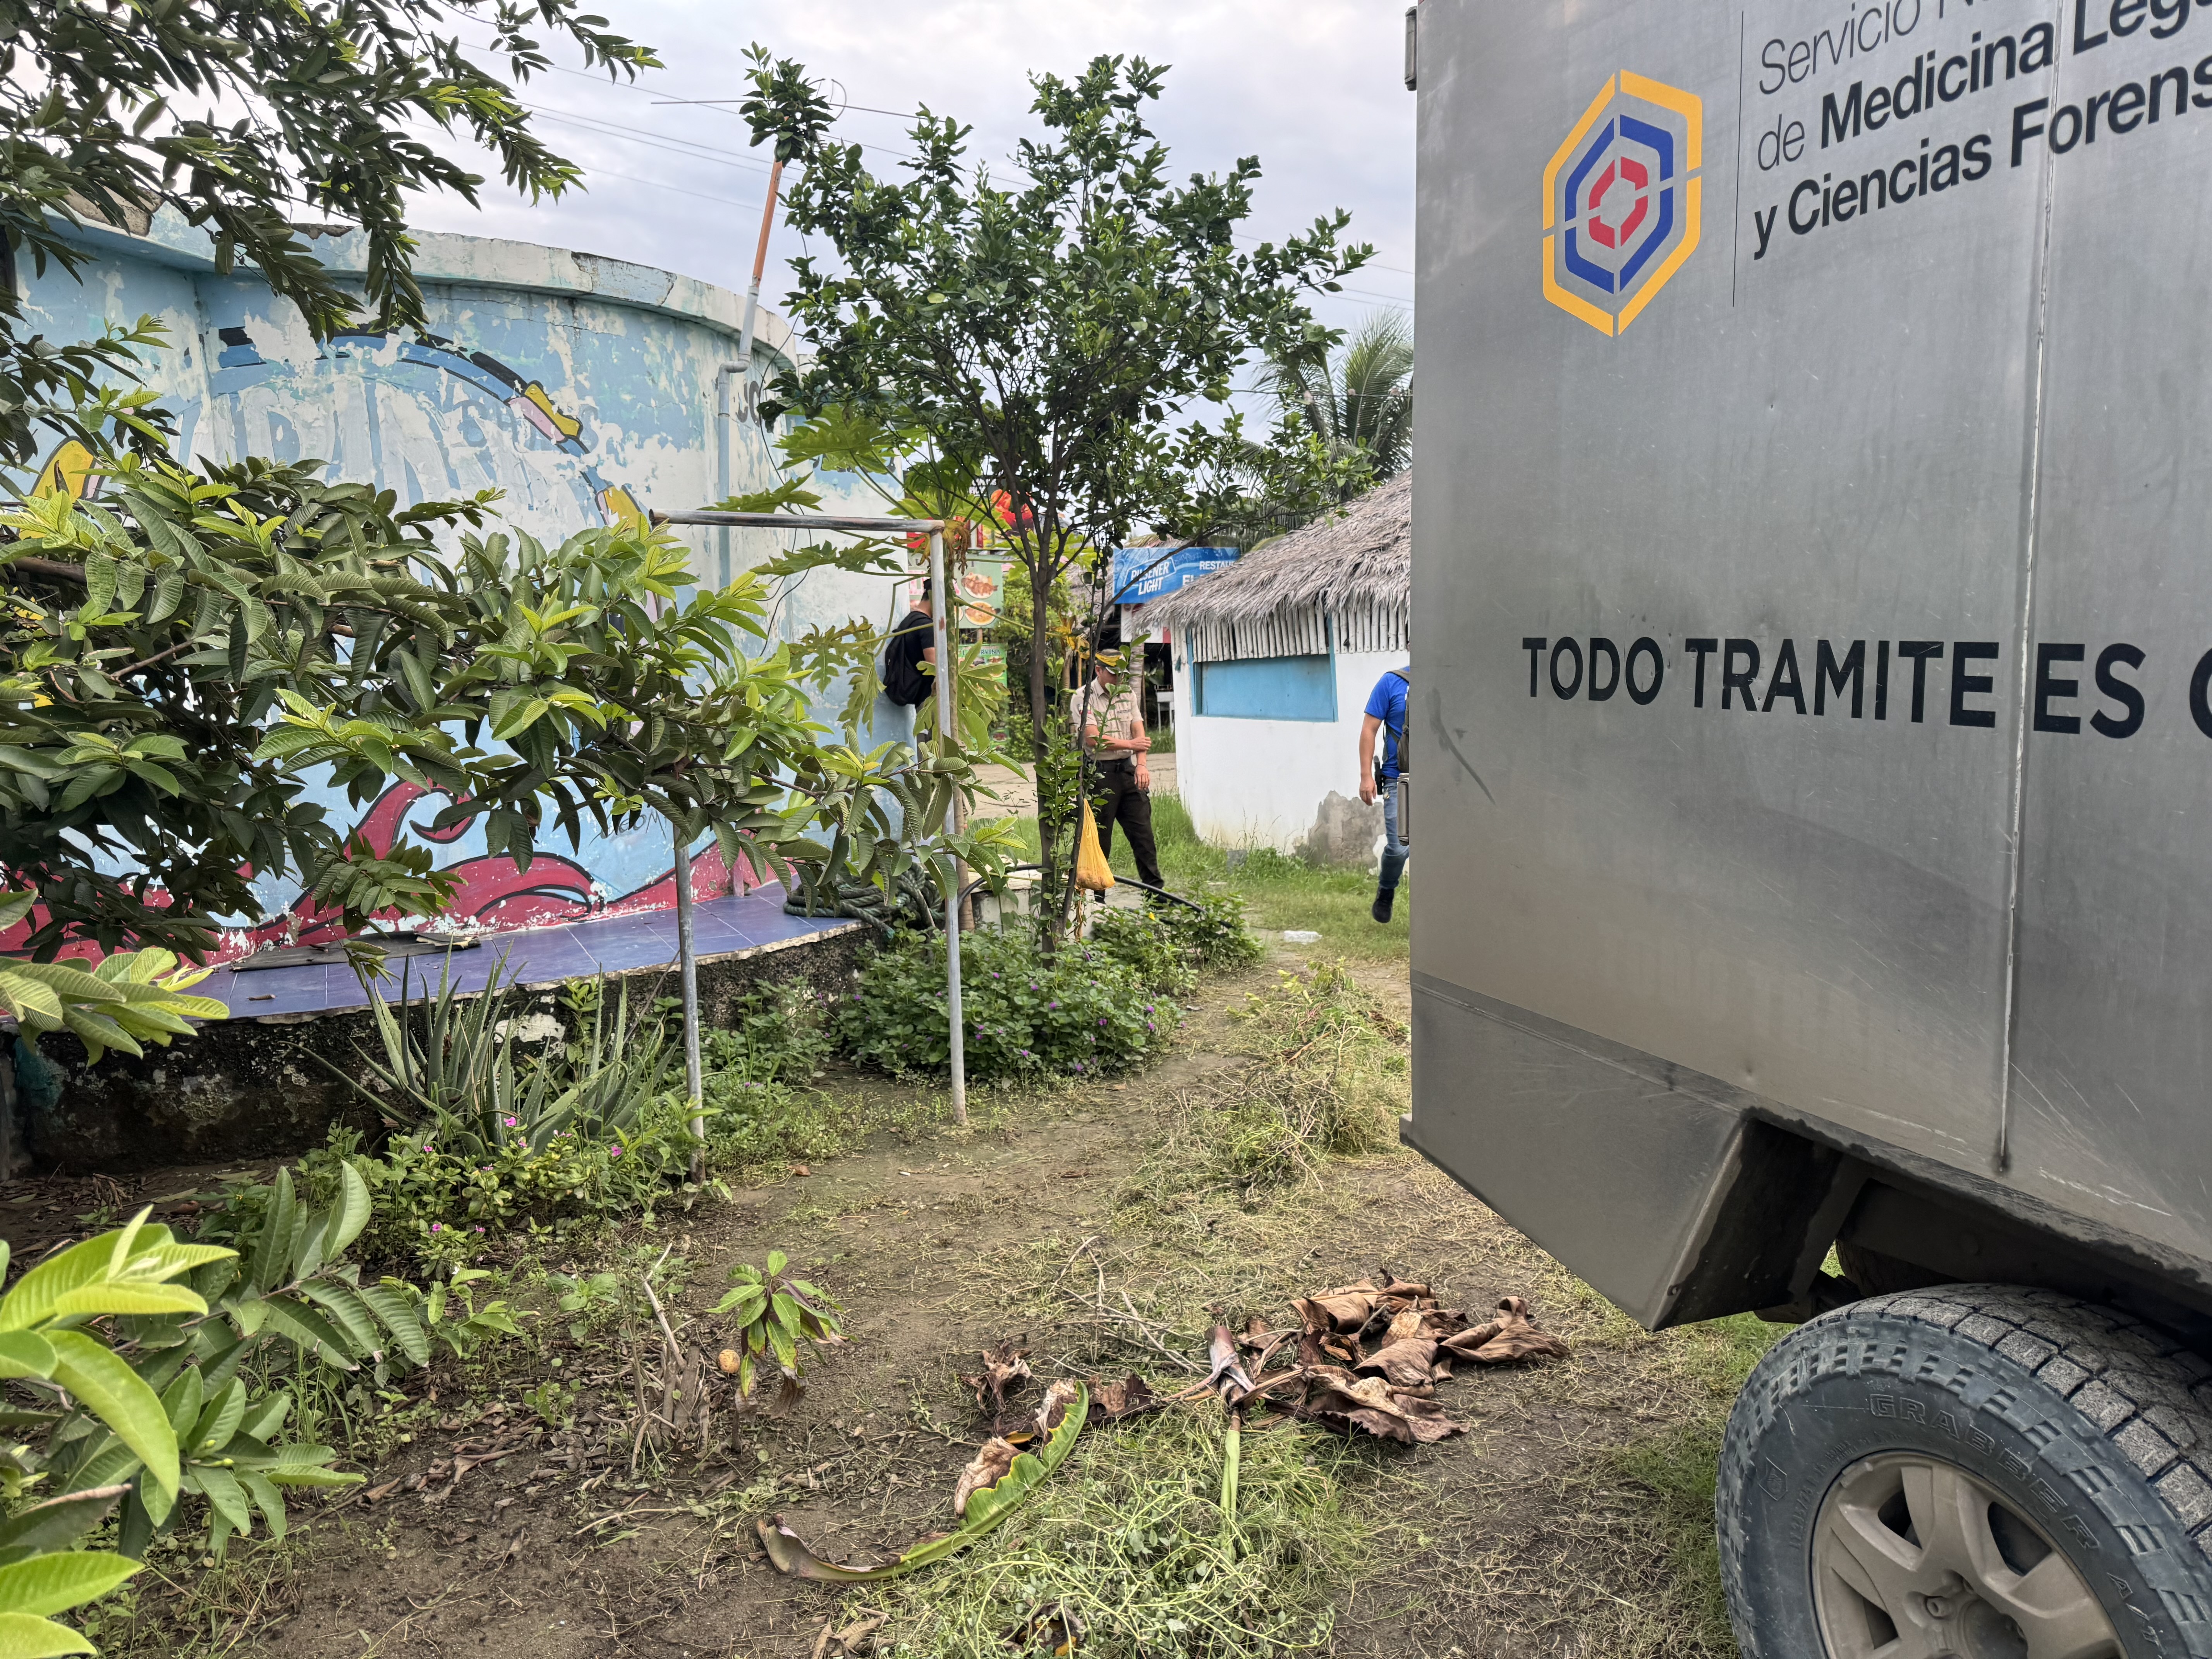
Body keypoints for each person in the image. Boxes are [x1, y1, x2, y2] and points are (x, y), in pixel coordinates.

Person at [1070, 658, 1163, 891]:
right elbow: (1093, 738)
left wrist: (1141, 764)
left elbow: (1139, 730)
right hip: (1099, 775)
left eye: (1121, 674)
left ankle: (1157, 896)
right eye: (1113, 674)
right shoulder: (1083, 696)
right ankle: (1096, 900)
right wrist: (1133, 744)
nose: (1118, 679)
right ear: (1099, 670)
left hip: (1128, 771)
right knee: (1100, 841)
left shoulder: (1127, 693)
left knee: (1144, 838)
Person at [1359, 664, 1409, 922]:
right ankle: (1387, 890)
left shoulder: (1447, 676)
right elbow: (1370, 729)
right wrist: (1366, 776)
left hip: (1439, 781)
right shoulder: (1392, 682)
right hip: (1398, 778)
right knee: (1401, 848)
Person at [881, 579, 937, 713]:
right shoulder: (927, 626)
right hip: (931, 703)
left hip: (921, 704)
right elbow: (934, 668)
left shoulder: (910, 621)